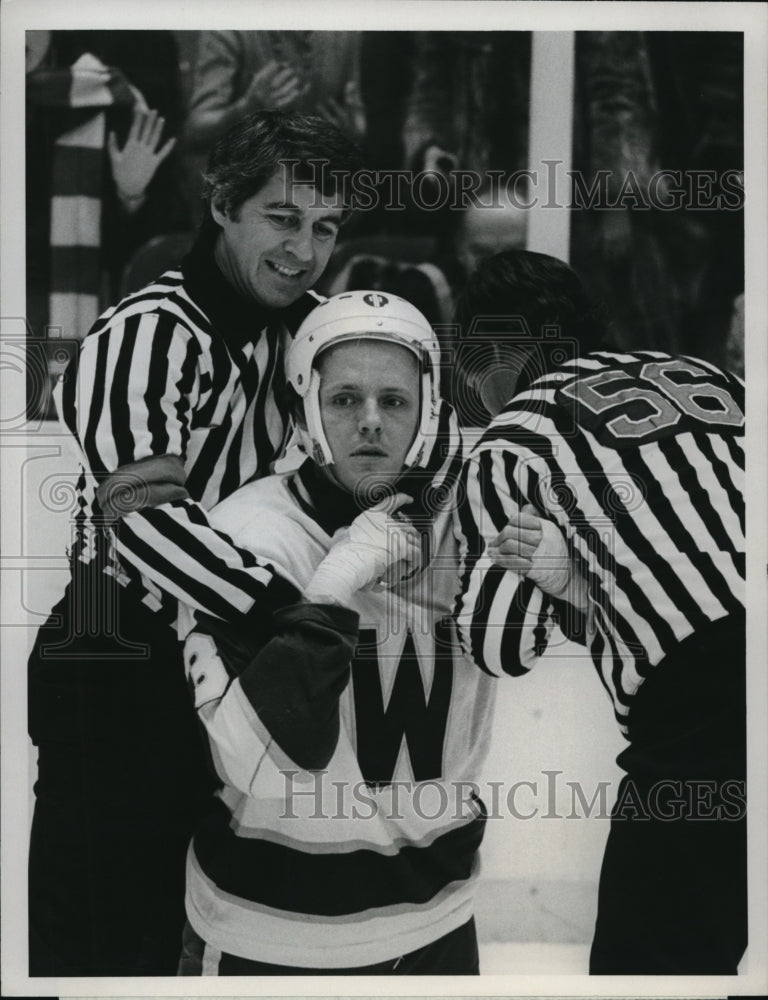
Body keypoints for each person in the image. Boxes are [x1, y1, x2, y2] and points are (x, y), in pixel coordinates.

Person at [27, 109, 361, 977]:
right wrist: (289, 611)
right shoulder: (148, 333)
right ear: (221, 204)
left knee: (207, 942)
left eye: (324, 228)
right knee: (104, 955)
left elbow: (405, 428)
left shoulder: (312, 330)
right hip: (118, 667)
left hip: (230, 664)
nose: (303, 250)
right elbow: (143, 521)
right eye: (282, 219)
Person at [175, 291, 496, 975]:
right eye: (345, 400)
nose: (372, 422)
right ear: (307, 412)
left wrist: (563, 581)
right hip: (273, 933)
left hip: (439, 919)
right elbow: (256, 766)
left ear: (429, 410)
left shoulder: (470, 523)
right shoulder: (246, 536)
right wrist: (328, 590)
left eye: (395, 401)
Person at [452, 250, 746, 974]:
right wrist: (593, 585)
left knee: (649, 972)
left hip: (709, 711)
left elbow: (500, 641)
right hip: (725, 663)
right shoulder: (716, 378)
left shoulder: (516, 435)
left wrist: (560, 573)